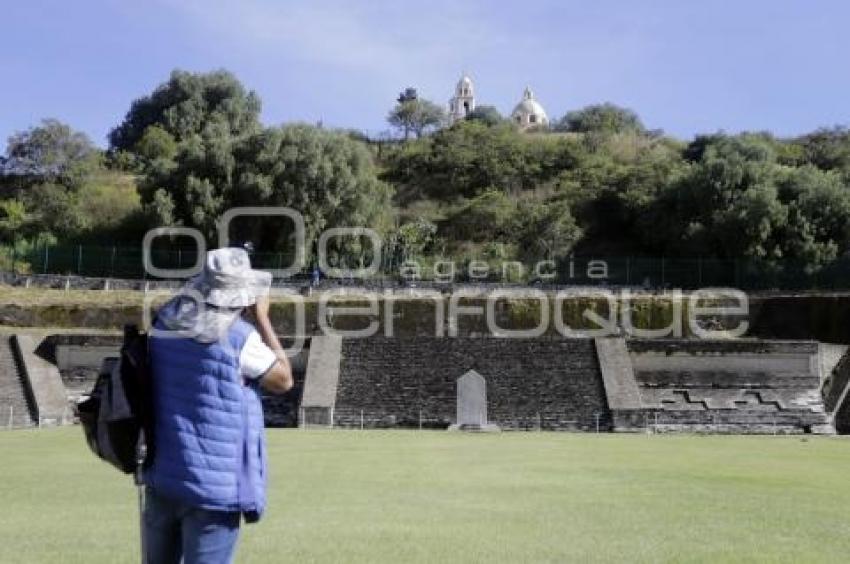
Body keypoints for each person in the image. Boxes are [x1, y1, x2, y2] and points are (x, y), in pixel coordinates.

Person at [143, 247, 293, 564]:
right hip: (214, 489)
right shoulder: (241, 338)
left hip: (164, 475)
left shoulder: (163, 326)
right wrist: (262, 318)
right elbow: (284, 380)